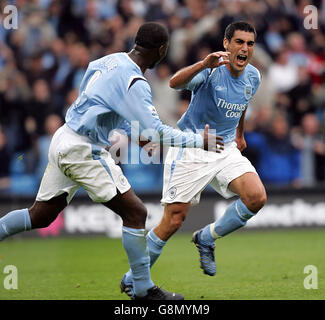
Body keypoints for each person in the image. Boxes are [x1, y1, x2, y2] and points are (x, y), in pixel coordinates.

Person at [0, 22, 224, 300]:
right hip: (84, 149)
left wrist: (136, 134)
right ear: (162, 50)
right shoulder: (136, 83)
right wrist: (199, 141)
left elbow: (102, 103)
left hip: (64, 137)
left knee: (41, 215)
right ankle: (142, 289)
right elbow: (158, 131)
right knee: (136, 213)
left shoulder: (107, 61)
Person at [121, 21, 267, 298]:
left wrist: (239, 132)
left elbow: (244, 101)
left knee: (256, 197)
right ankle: (133, 279)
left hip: (223, 147)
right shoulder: (212, 71)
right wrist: (203, 64)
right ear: (226, 44)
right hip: (191, 146)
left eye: (249, 44)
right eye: (239, 42)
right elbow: (175, 83)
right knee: (173, 220)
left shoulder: (253, 77)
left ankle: (206, 238)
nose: (245, 49)